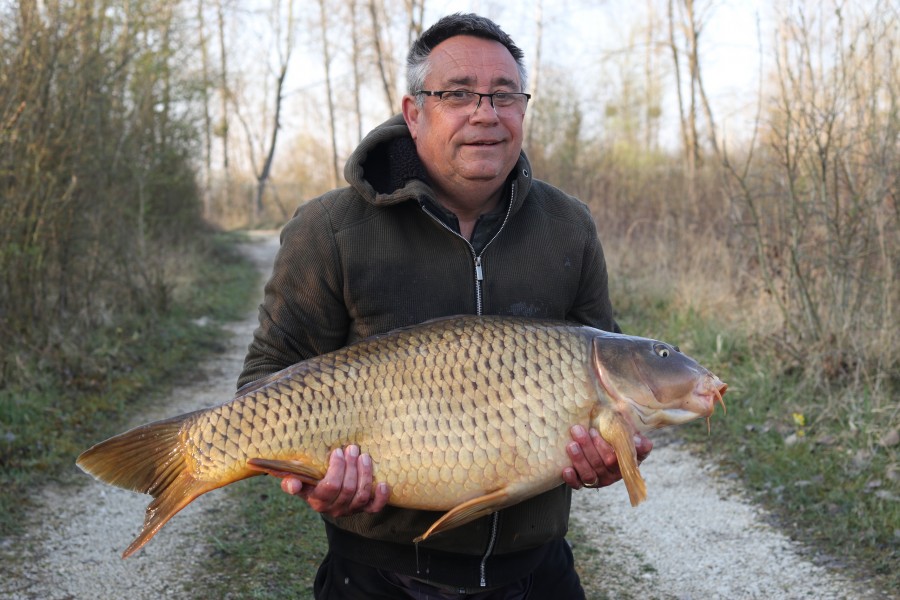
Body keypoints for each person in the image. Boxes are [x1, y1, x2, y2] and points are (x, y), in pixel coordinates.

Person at [238, 12, 652, 599]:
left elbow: (604, 372)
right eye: (458, 94)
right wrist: (311, 478)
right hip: (377, 575)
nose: (485, 112)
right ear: (414, 114)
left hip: (535, 571)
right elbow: (263, 382)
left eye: (505, 95)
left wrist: (608, 454)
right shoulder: (329, 229)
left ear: (523, 112)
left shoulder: (570, 227)